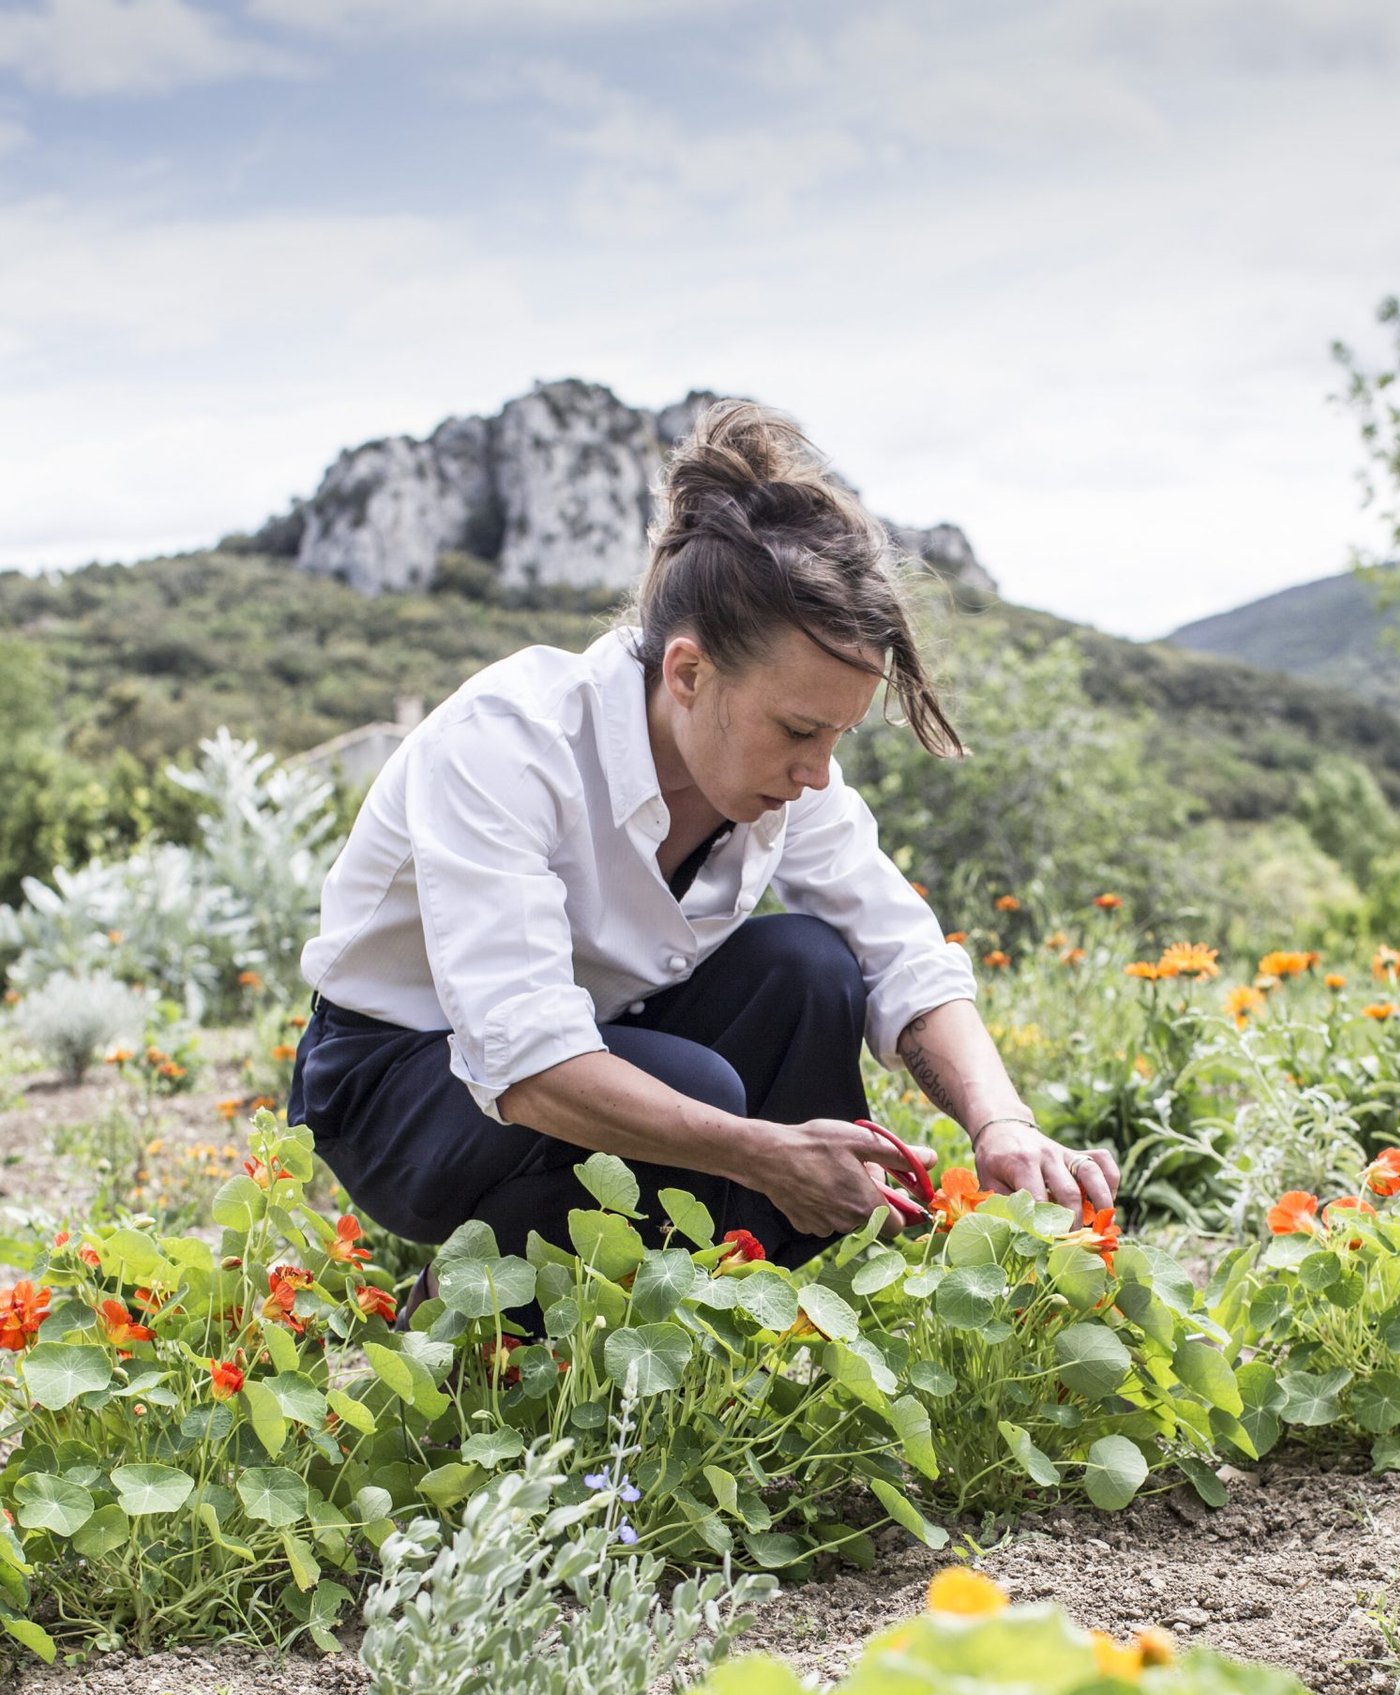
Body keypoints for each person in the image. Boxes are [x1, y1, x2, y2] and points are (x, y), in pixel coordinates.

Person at [289, 399, 1118, 1295]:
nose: (815, 771)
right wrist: (766, 1153)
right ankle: (474, 1319)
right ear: (687, 672)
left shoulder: (791, 777)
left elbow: (902, 954)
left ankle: (739, 1300)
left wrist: (1001, 1123)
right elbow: (526, 1063)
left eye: (836, 736)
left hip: (607, 1037)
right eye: (799, 729)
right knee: (703, 1091)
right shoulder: (508, 740)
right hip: (397, 1081)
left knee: (810, 970)